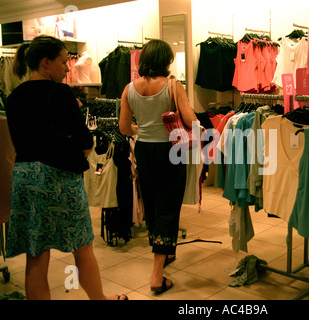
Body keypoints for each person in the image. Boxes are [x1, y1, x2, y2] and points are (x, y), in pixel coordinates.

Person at [5, 35, 127, 300]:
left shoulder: (13, 98)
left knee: (36, 255)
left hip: (25, 176)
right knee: (82, 248)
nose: (67, 68)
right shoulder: (61, 94)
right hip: (58, 177)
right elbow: (84, 143)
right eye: (63, 62)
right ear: (46, 63)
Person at [119, 39, 197, 295]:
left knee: (151, 203)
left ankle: (164, 253)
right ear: (165, 61)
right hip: (170, 150)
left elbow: (123, 128)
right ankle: (156, 275)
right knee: (168, 206)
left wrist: (143, 129)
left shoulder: (129, 89)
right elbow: (188, 118)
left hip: (143, 149)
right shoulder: (174, 86)